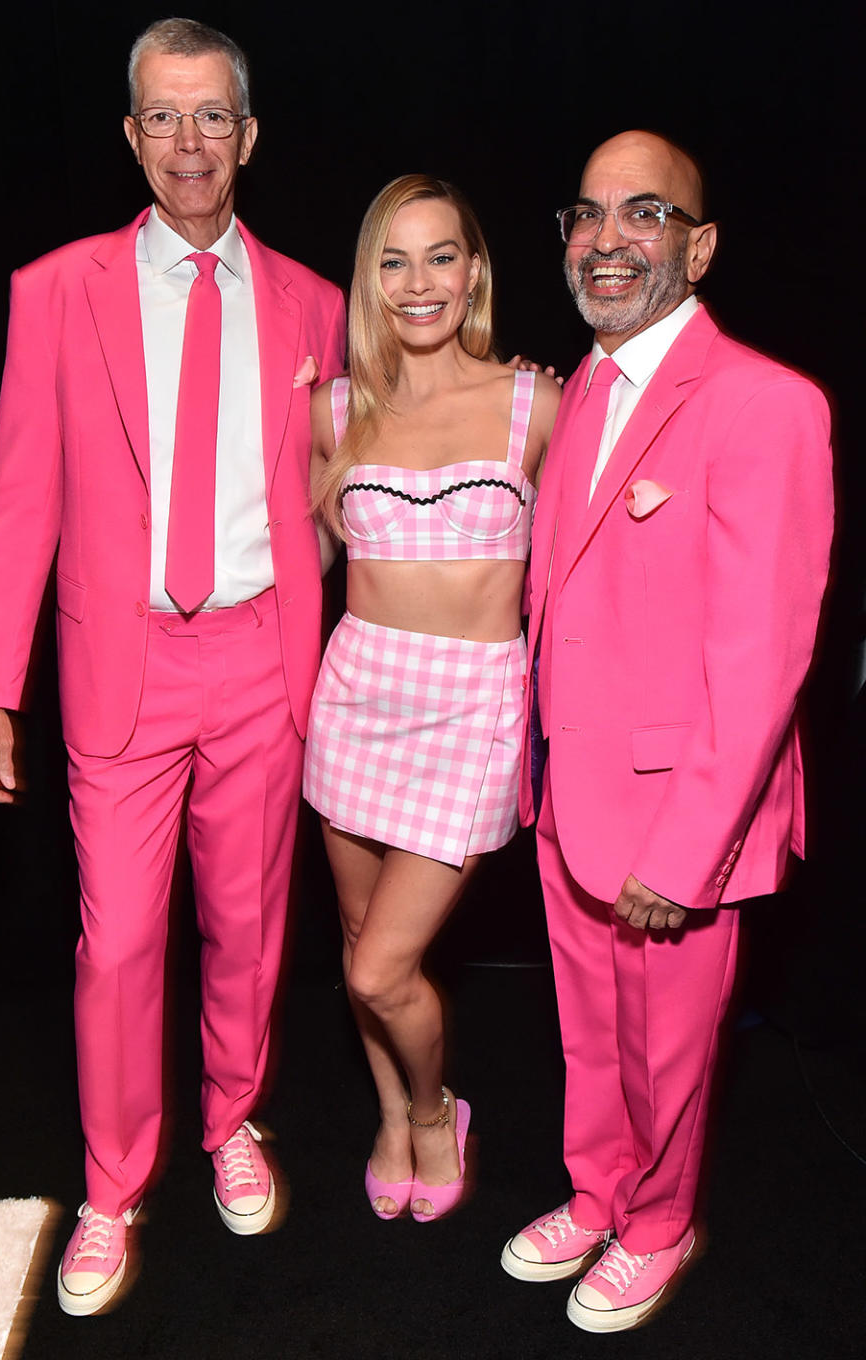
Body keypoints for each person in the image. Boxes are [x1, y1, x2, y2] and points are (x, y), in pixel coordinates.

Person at [0, 17, 345, 1315]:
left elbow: (341, 497)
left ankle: (233, 1120)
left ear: (248, 136)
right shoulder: (52, 289)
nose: (189, 142)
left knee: (247, 928)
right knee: (119, 944)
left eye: (212, 117)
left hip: (259, 662)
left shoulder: (315, 306)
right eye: (163, 117)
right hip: (121, 663)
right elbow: (20, 500)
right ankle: (112, 1187)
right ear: (131, 135)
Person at [500, 131, 833, 1331]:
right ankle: (600, 1195)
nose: (606, 239)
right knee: (590, 1040)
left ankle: (662, 1223)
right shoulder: (582, 386)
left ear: (698, 246)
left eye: (643, 214)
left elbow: (763, 660)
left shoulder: (768, 405)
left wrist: (692, 850)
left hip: (681, 813)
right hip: (570, 788)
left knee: (669, 1054)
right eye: (586, 215)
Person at [305, 175, 559, 1222]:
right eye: (394, 260)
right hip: (357, 694)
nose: (419, 282)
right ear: (371, 280)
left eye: (441, 255)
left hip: (470, 710)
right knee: (359, 942)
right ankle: (389, 1112)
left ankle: (431, 1107)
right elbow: (289, 562)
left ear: (475, 271)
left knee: (378, 969)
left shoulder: (536, 402)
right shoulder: (331, 406)